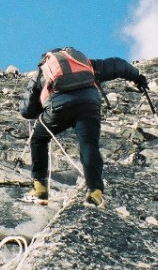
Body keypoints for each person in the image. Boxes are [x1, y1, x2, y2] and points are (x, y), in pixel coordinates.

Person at [18, 47, 148, 207]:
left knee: (39, 139)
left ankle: (39, 189)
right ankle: (94, 190)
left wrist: (41, 107)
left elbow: (26, 111)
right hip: (89, 104)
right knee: (88, 145)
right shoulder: (85, 64)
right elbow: (117, 65)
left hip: (58, 108)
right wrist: (137, 77)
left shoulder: (42, 72)